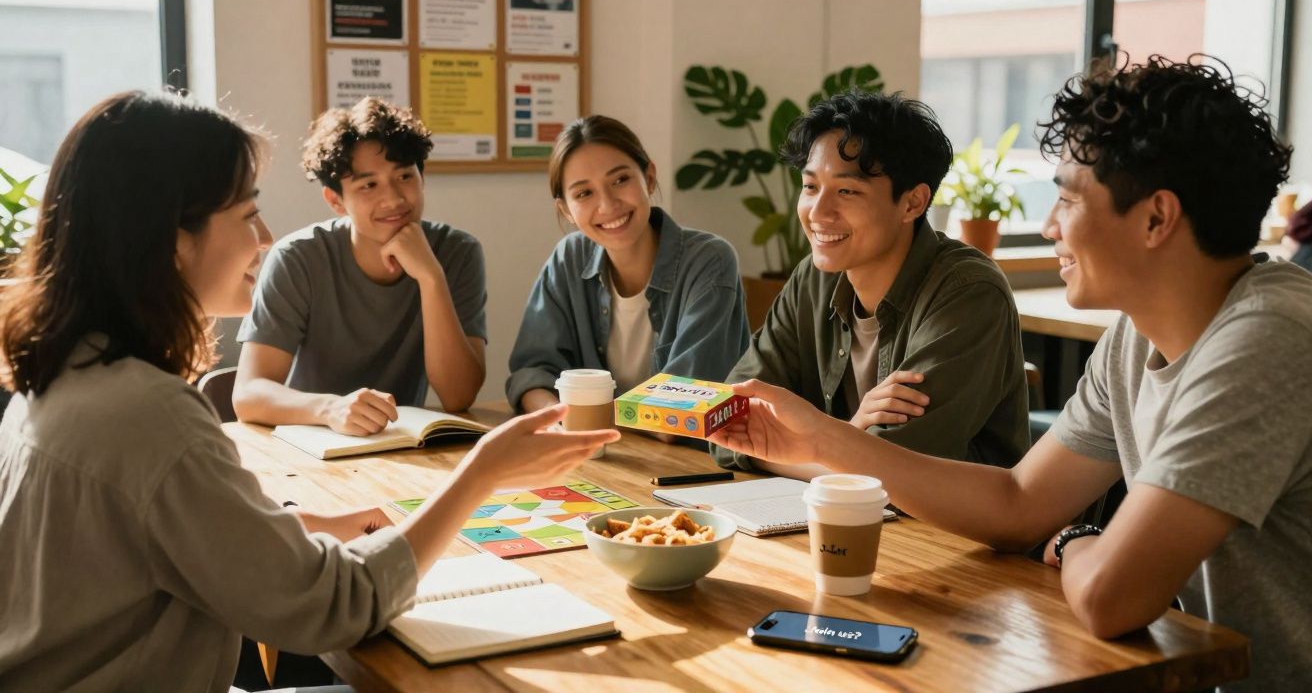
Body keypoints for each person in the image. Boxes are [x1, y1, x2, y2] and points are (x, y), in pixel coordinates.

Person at [708, 56, 1310, 692]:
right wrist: (822, 439)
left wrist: (1076, 537)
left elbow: (1111, 596)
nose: (1049, 225)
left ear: (1156, 219)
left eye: (1068, 199)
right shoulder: (1133, 338)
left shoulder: (1266, 337)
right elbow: (1019, 504)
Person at [0, 91, 617, 692]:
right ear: (173, 240)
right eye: (245, 215)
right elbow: (334, 608)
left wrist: (291, 525)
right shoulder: (149, 415)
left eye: (404, 177)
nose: (263, 236)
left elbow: (154, 529)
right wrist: (479, 474)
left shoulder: (63, 374)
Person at [713, 90, 1029, 476]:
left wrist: (814, 446)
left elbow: (896, 469)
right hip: (832, 517)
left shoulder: (968, 292)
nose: (818, 212)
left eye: (847, 191)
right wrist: (849, 434)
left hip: (950, 533)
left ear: (912, 203)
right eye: (810, 187)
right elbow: (728, 426)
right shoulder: (813, 279)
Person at [233, 97, 486, 436]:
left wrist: (431, 278)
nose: (395, 199)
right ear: (336, 200)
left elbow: (458, 396)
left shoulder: (456, 251)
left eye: (405, 176)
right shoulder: (297, 258)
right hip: (314, 442)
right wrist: (330, 409)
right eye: (369, 185)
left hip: (404, 445)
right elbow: (248, 394)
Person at [506, 116, 750, 433]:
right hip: (598, 458)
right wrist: (558, 419)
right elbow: (531, 373)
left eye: (620, 180)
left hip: (694, 468)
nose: (608, 205)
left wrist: (585, 418)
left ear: (648, 177)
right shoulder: (568, 258)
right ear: (566, 210)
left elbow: (680, 414)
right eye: (584, 194)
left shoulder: (709, 260)